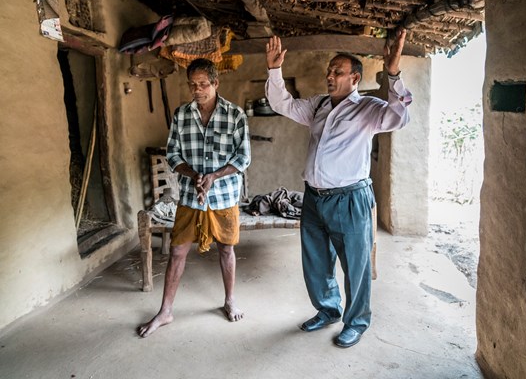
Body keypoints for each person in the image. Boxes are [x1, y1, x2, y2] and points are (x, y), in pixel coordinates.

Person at [264, 29, 412, 348]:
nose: (330, 76)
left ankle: (356, 321)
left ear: (354, 78)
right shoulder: (318, 105)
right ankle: (328, 310)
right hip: (315, 198)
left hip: (349, 199)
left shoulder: (366, 109)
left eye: (337, 72)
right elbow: (282, 104)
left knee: (355, 265)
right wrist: (274, 69)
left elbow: (399, 117)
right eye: (329, 71)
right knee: (316, 261)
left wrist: (394, 73)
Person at [138, 58, 251, 338]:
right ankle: (165, 311)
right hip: (189, 195)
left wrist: (213, 176)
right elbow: (173, 154)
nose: (197, 90)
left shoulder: (235, 115)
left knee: (226, 249)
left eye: (203, 84)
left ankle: (229, 301)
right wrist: (194, 175)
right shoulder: (181, 115)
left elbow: (243, 158)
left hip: (224, 196)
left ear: (215, 83)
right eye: (192, 85)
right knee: (177, 251)